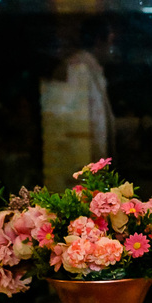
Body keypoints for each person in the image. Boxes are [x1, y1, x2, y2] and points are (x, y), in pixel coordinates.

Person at [42, 16, 116, 188]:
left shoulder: (91, 69)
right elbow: (63, 123)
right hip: (76, 167)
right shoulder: (76, 68)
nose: (112, 49)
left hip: (91, 167)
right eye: (111, 41)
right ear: (99, 40)